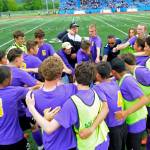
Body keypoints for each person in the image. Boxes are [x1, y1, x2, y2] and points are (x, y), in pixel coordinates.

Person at [26, 61, 109, 150]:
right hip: (71, 142)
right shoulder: (70, 89)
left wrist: (33, 109)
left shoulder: (32, 96)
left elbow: (35, 124)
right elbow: (81, 85)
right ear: (59, 75)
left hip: (50, 143)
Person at [7, 48, 44, 150]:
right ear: (17, 59)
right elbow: (38, 84)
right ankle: (41, 146)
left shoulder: (3, 69)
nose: (23, 60)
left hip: (5, 109)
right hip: (20, 109)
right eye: (22, 58)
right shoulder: (19, 73)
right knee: (34, 126)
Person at [111, 57, 148, 150]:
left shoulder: (128, 81)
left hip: (137, 121)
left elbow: (144, 100)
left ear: (114, 71)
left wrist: (125, 113)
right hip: (131, 121)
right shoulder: (121, 78)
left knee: (133, 147)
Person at [93, 62, 127, 150]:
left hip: (112, 126)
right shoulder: (114, 81)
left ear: (98, 75)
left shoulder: (98, 88)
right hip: (122, 123)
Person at [0, 66, 28, 150]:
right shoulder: (14, 91)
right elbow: (33, 91)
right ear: (6, 80)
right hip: (14, 139)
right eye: (11, 76)